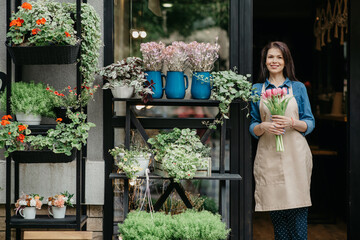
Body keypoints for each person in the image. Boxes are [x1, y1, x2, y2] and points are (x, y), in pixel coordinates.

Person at [249, 41, 315, 240]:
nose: (275, 61)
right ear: (265, 61)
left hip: (295, 157)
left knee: (298, 213)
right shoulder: (256, 89)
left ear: (286, 61)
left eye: (279, 57)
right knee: (277, 216)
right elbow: (252, 124)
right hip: (269, 157)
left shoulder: (298, 87)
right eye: (271, 57)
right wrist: (263, 126)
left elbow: (309, 123)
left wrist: (292, 122)